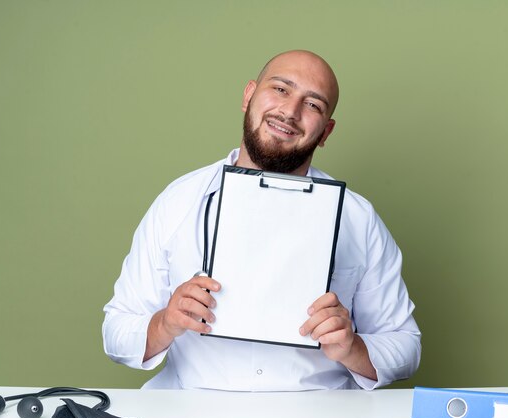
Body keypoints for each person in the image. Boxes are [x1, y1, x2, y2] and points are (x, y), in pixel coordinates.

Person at [102, 50, 421, 391]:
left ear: (326, 132)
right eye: (281, 89)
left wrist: (353, 347)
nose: (290, 112)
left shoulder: (358, 219)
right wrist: (165, 323)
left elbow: (406, 345)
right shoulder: (178, 201)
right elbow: (116, 331)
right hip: (193, 411)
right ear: (248, 95)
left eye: (312, 104)